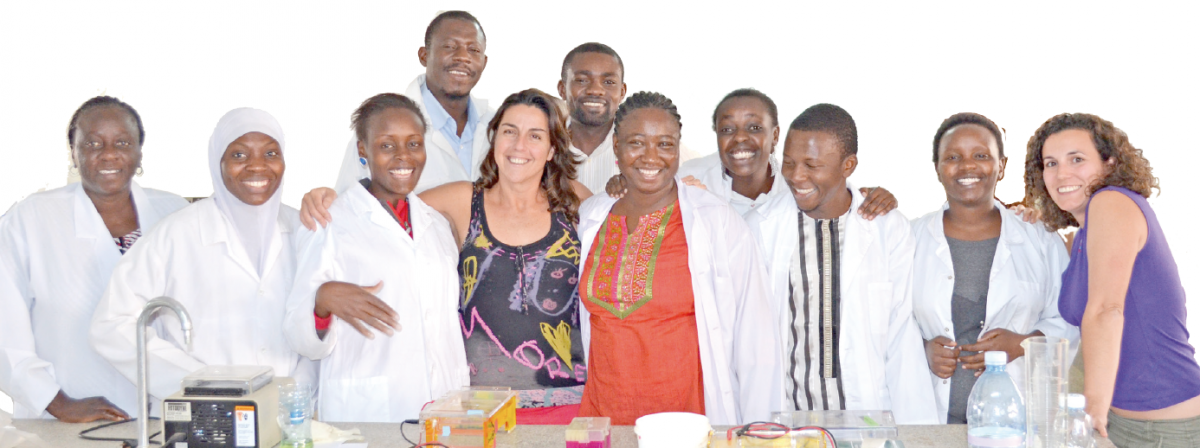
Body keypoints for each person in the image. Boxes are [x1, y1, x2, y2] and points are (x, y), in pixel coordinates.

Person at [300, 89, 592, 425]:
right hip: (479, 406)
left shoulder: (575, 204)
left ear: (553, 148)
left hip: (570, 400)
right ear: (495, 138)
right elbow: (379, 207)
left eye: (535, 135)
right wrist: (326, 198)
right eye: (510, 131)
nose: (519, 146)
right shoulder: (460, 201)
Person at [575, 91, 779, 425]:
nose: (650, 157)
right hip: (603, 422)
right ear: (616, 146)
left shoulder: (715, 220)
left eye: (665, 144)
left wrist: (756, 432)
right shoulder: (593, 216)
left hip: (687, 426)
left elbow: (755, 342)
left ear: (678, 149)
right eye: (636, 142)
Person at [90, 108, 311, 406]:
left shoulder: (304, 231)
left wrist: (297, 390)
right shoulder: (175, 234)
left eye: (271, 154)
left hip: (288, 413)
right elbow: (112, 323)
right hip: (202, 412)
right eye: (239, 155)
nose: (257, 167)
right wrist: (199, 383)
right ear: (217, 162)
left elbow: (325, 327)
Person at [0, 97, 188, 422]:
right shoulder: (30, 218)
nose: (109, 154)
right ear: (73, 152)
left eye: (122, 142)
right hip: (63, 422)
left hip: (164, 416)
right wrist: (57, 403)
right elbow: (5, 329)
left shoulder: (174, 212)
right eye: (93, 143)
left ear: (139, 152)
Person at [284, 94, 468, 422]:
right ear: (362, 149)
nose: (403, 157)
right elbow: (298, 336)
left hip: (445, 405)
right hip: (368, 411)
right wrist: (321, 303)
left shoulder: (436, 225)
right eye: (386, 145)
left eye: (414, 144)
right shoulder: (328, 222)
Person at [1025, 113, 1200, 444]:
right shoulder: (1083, 236)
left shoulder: (1111, 202)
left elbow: (1107, 309)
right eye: (1050, 163)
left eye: (1077, 159)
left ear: (1110, 163)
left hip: (1169, 428)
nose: (1062, 173)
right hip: (1122, 421)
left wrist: (1092, 413)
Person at [767, 103, 937, 423]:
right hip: (789, 422)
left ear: (848, 165)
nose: (796, 175)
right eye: (788, 162)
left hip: (869, 419)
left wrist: (914, 430)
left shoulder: (889, 229)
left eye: (811, 164)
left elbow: (901, 337)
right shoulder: (761, 229)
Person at [910, 112, 1076, 424]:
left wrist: (1022, 344)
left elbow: (1068, 319)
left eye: (982, 155)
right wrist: (922, 349)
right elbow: (886, 320)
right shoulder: (909, 239)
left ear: (1002, 166)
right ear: (937, 169)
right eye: (953, 157)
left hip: (1014, 422)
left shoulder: (1040, 238)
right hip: (929, 420)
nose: (967, 166)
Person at [335, 10, 495, 193]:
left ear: (484, 62)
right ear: (424, 56)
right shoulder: (379, 124)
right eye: (450, 46)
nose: (462, 57)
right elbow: (345, 205)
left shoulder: (498, 127)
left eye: (473, 50)